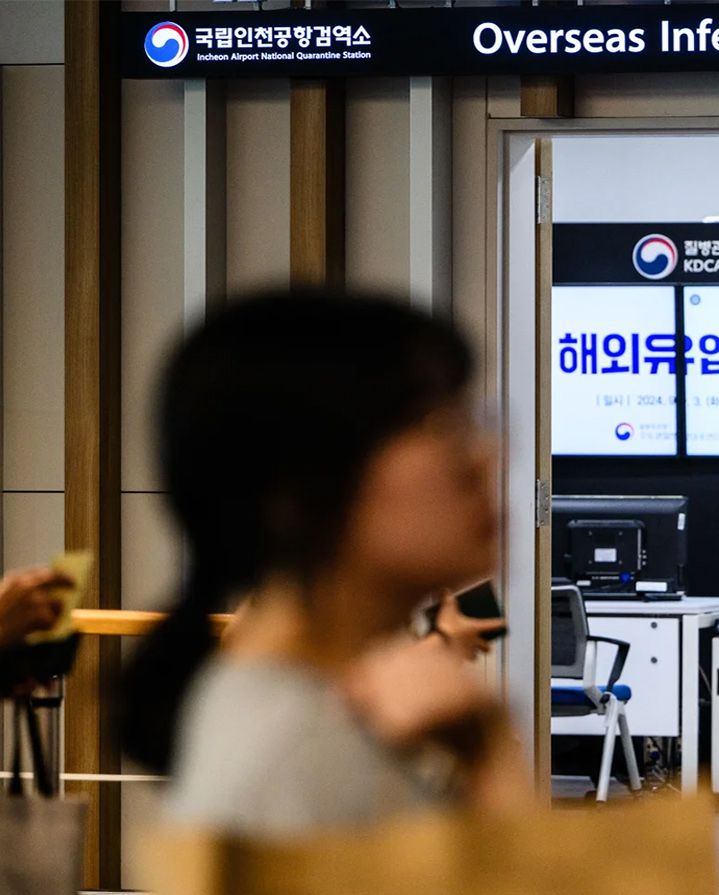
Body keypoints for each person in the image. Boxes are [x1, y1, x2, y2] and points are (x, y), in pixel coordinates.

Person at [119, 290, 525, 836]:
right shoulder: (301, 745)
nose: (486, 456)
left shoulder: (303, 709)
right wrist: (496, 763)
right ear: (300, 489)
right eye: (438, 424)